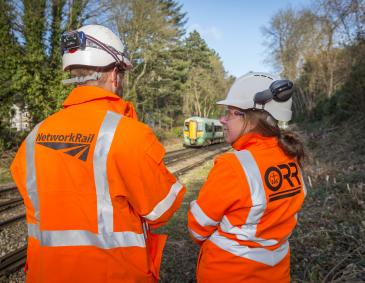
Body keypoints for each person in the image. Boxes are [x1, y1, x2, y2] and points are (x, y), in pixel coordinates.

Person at [10, 25, 185, 283]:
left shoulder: (35, 135)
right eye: (123, 74)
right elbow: (162, 210)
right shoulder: (128, 134)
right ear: (115, 74)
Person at [187, 72, 306, 283]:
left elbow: (197, 229)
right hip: (276, 273)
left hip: (229, 273)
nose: (222, 119)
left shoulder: (234, 165)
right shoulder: (291, 158)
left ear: (252, 119)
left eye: (231, 112)